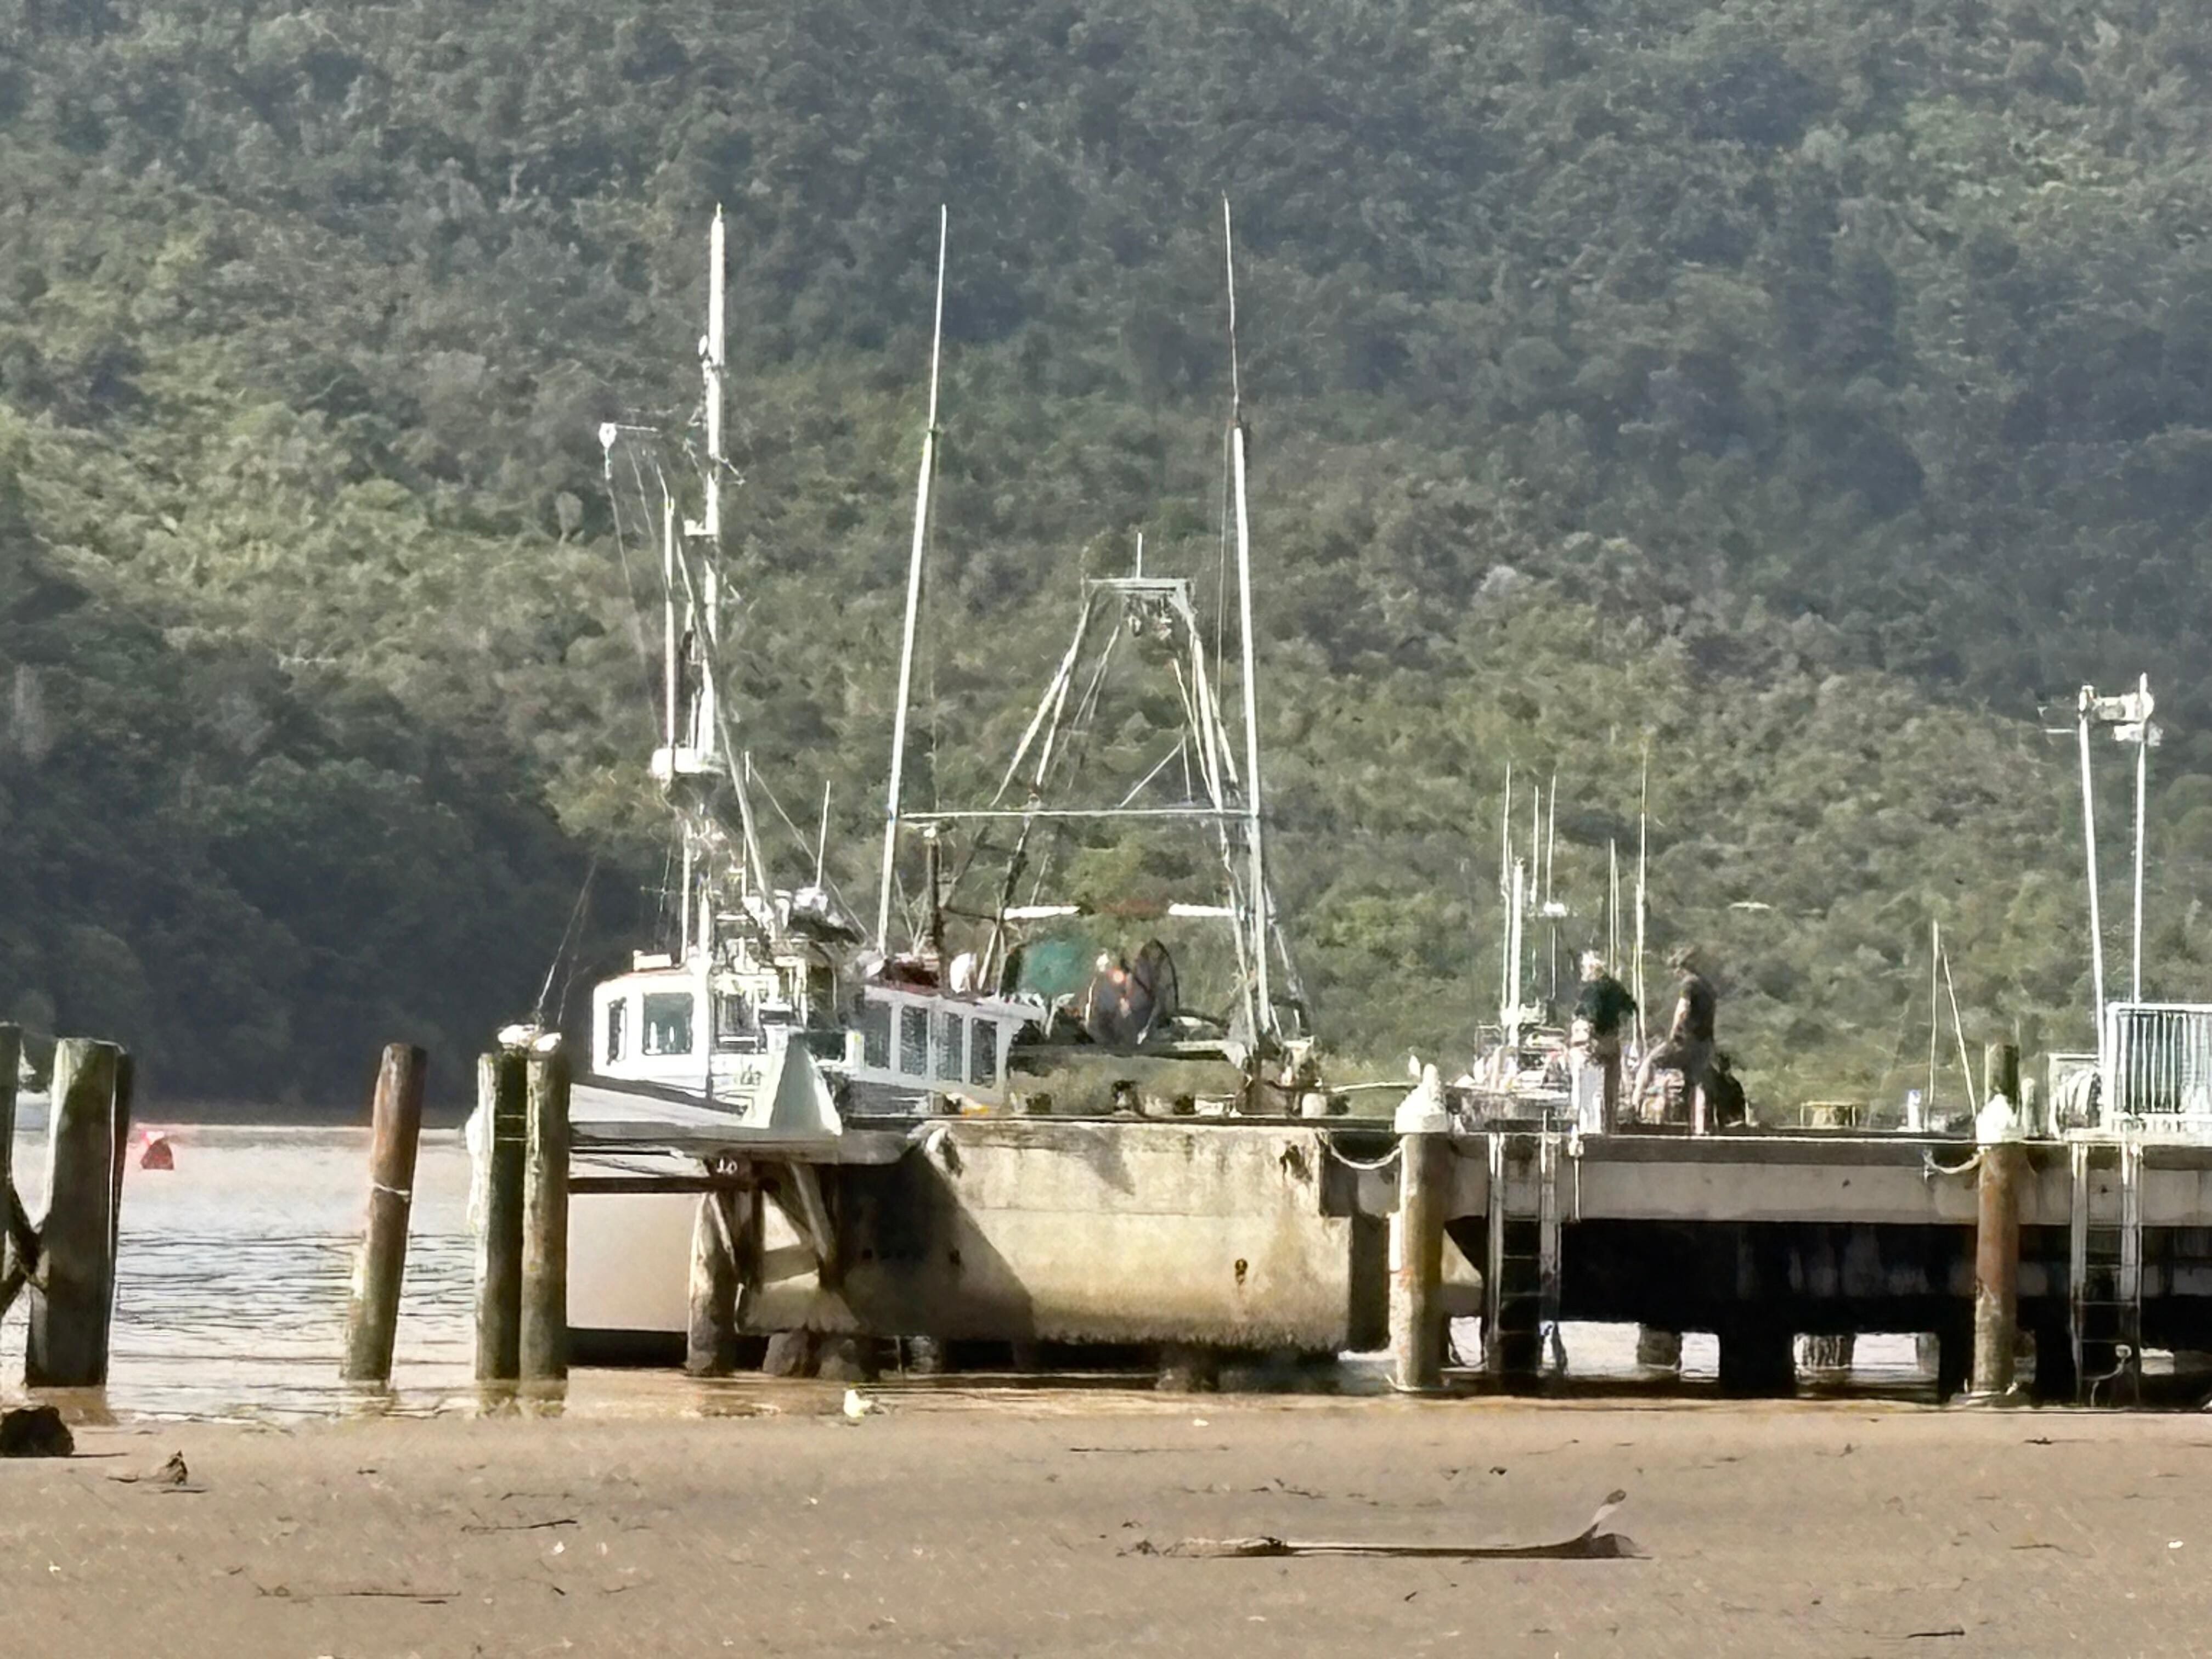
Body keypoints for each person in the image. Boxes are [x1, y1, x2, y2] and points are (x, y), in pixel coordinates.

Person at [1633, 945, 1718, 1130]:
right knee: (1698, 1083)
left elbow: (1683, 1009)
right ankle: (1700, 1126)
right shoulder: (1708, 988)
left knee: (1651, 1062)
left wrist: (1674, 1032)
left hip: (1684, 1040)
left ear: (1681, 968)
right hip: (1704, 1042)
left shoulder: (1689, 984)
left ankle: (1635, 1106)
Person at [1568, 951, 1635, 1132]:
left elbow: (1592, 1017)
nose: (1582, 971)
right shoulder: (1616, 987)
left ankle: (1589, 1130)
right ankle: (1610, 1130)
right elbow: (1630, 1008)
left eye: (1584, 967)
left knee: (1589, 1091)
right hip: (1612, 1041)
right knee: (1610, 1093)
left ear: (1592, 968)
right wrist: (1619, 1027)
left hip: (1595, 1043)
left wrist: (1587, 1038)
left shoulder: (1591, 991)